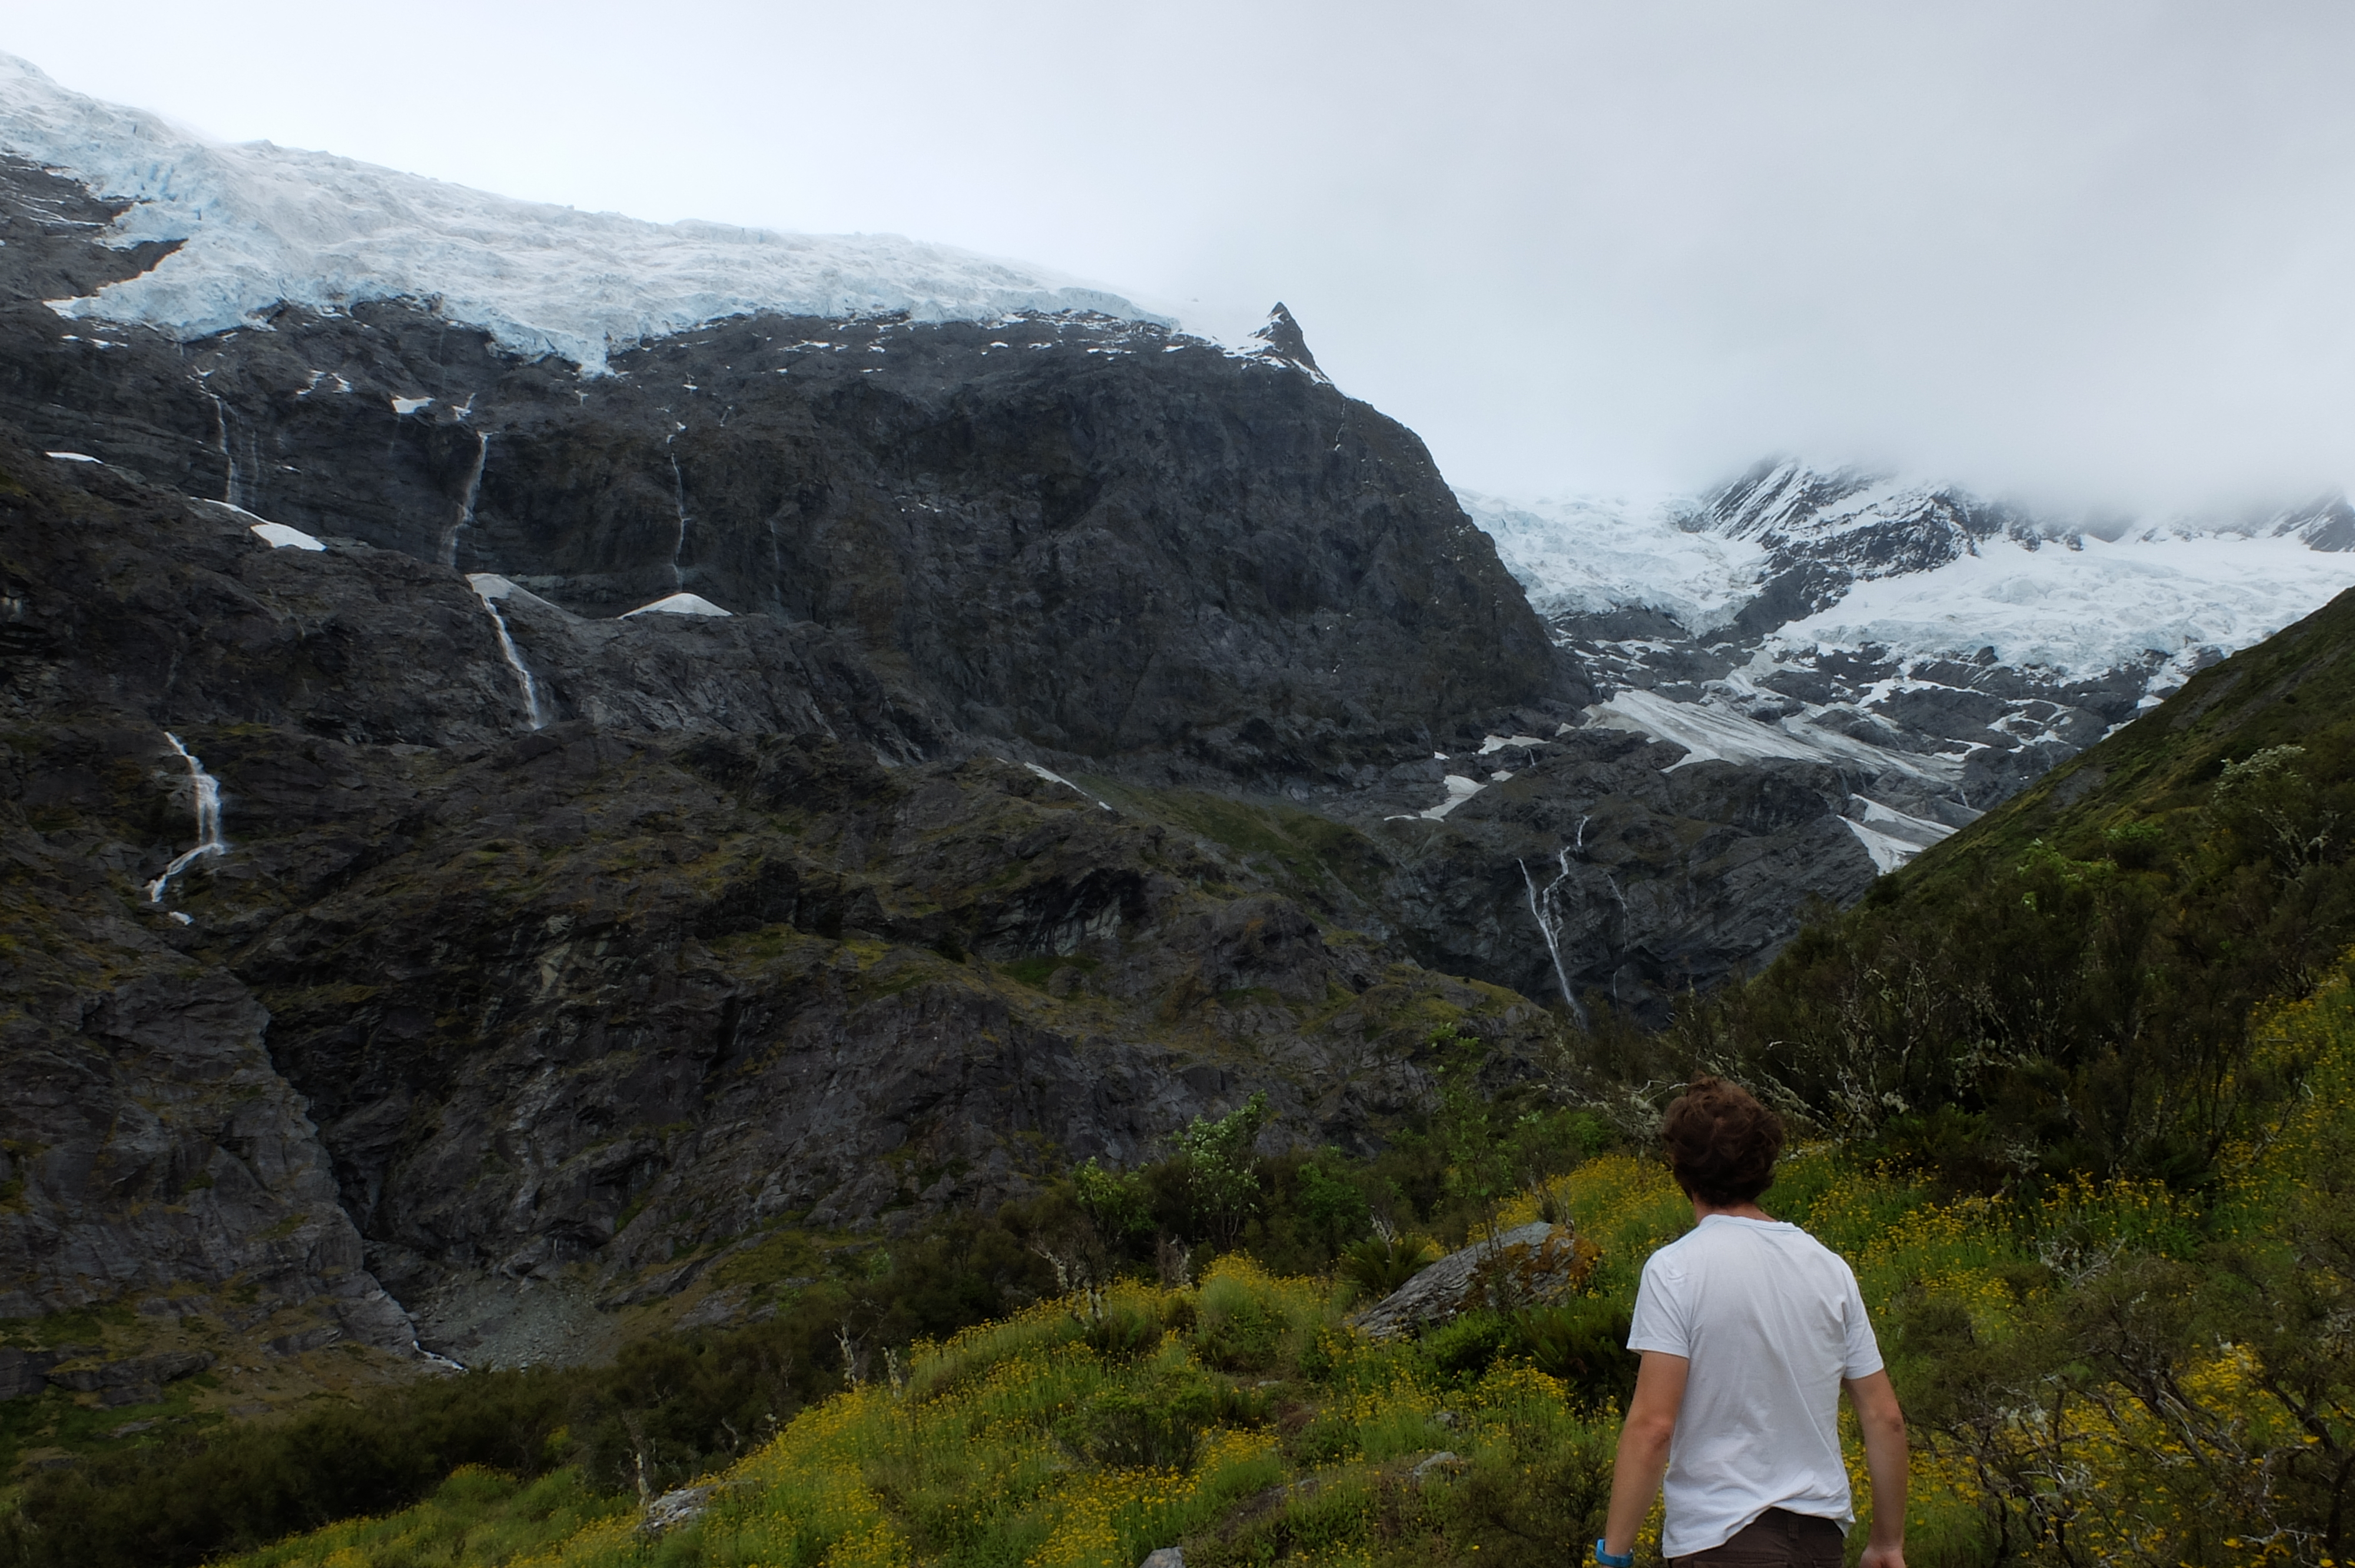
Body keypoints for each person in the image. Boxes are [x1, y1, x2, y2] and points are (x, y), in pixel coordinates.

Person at [1593, 1077, 1907, 1568]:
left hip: (1720, 1542)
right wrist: (1888, 1544)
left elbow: (1653, 1427)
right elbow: (1885, 1417)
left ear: (1681, 1169)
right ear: (1764, 1163)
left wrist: (1614, 1556)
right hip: (1820, 1543)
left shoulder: (1675, 1270)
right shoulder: (1829, 1268)